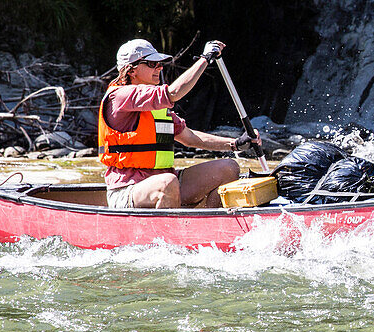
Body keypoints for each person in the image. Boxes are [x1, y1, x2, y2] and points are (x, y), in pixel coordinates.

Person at [98, 38, 259, 209]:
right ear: (131, 70)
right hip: (127, 190)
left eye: (160, 64)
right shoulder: (120, 96)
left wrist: (235, 144)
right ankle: (170, 234)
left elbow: (189, 138)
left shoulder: (156, 108)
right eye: (152, 64)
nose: (159, 68)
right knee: (167, 183)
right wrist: (205, 59)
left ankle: (208, 223)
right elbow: (173, 93)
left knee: (228, 168)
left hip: (167, 181)